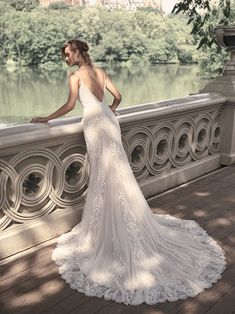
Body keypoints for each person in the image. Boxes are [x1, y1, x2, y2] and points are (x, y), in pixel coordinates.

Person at [31, 39, 226, 306]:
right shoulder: (101, 73)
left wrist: (45, 118)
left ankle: (110, 227)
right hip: (109, 123)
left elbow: (69, 106)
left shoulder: (75, 76)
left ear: (78, 53)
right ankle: (124, 218)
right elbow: (118, 97)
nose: (66, 58)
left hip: (93, 125)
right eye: (64, 55)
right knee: (118, 172)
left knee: (104, 175)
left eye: (67, 53)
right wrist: (108, 111)